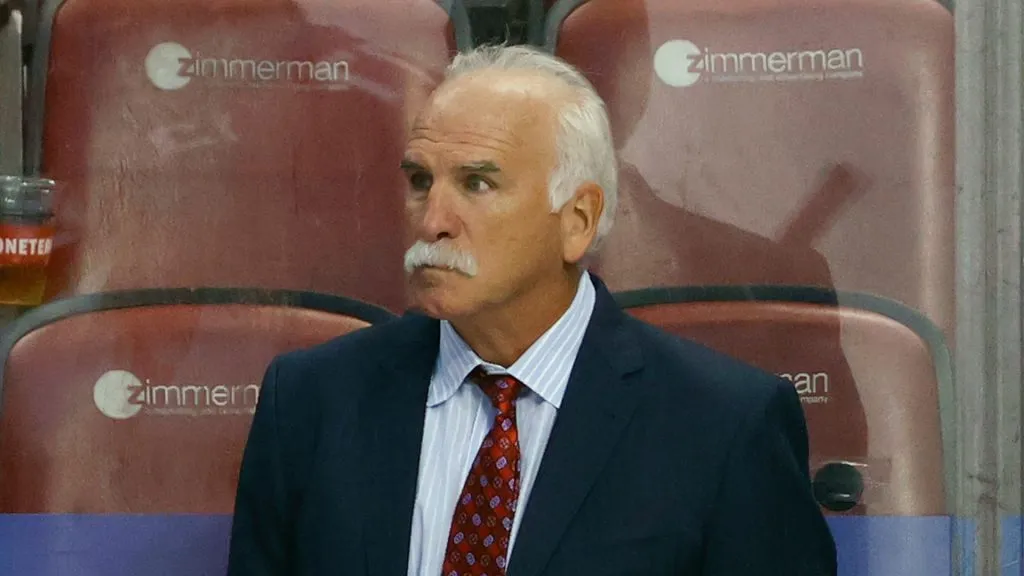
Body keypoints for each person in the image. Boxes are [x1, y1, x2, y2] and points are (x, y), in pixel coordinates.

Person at [226, 44, 837, 576]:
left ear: (578, 221)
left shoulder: (724, 426)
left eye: (478, 184)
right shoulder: (310, 402)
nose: (433, 221)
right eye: (420, 181)